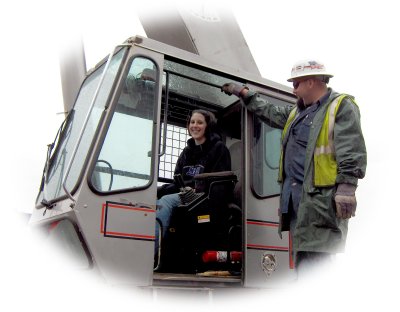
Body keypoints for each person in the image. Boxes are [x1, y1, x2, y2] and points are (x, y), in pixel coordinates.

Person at [221, 60, 367, 273]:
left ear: (310, 82)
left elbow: (351, 149)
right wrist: (244, 93)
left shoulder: (340, 106)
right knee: (303, 261)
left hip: (320, 202)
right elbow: (269, 111)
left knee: (318, 262)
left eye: (296, 84)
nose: (293, 89)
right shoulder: (296, 114)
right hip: (297, 202)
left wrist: (346, 188)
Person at [155, 109, 231, 261]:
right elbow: (178, 181)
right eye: (192, 122)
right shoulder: (186, 152)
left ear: (208, 126)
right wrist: (159, 190)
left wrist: (198, 189)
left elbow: (221, 181)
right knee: (155, 198)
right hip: (185, 194)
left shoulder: (219, 149)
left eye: (200, 122)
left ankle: (152, 252)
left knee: (166, 202)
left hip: (206, 197)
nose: (195, 126)